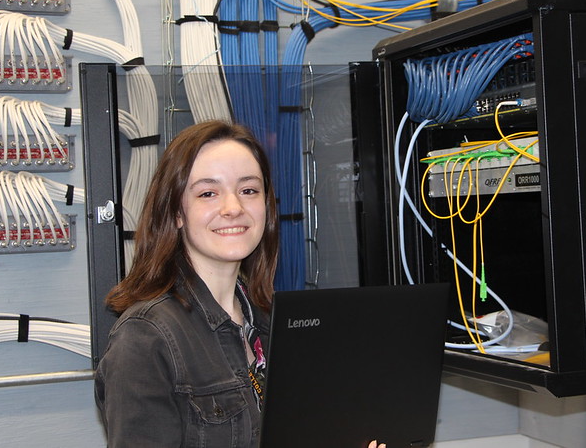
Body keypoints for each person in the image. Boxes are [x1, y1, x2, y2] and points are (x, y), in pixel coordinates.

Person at [94, 120, 385, 448]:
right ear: (177, 212)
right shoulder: (145, 338)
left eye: (249, 190)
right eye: (208, 193)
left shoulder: (272, 323)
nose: (233, 208)